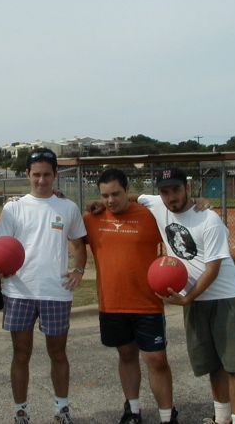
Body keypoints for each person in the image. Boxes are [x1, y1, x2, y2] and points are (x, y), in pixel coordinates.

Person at [137, 167, 235, 424]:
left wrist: (186, 298)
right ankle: (222, 418)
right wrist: (94, 202)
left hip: (225, 300)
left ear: (188, 188)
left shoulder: (208, 219)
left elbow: (212, 268)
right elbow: (128, 197)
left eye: (176, 189)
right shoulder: (157, 204)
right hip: (195, 302)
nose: (171, 197)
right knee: (213, 366)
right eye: (165, 192)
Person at [0, 147, 87, 424]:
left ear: (55, 174)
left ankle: (62, 409)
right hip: (19, 291)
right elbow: (0, 248)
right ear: (27, 174)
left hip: (56, 292)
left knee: (58, 353)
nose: (42, 180)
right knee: (21, 354)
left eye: (47, 174)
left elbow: (79, 244)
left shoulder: (67, 207)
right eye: (36, 174)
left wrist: (79, 270)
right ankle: (20, 411)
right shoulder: (13, 208)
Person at [83, 168, 179, 424]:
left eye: (116, 194)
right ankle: (132, 411)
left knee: (156, 360)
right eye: (105, 195)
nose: (110, 200)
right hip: (112, 304)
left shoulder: (150, 216)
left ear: (128, 190)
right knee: (126, 355)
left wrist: (201, 202)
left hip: (147, 303)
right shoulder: (91, 219)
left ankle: (167, 416)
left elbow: (178, 210)